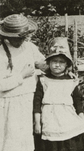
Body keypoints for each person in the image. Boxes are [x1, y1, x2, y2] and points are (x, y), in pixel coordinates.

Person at [34, 37, 84, 151]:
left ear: (67, 65)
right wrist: (37, 122)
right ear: (49, 63)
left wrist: (81, 116)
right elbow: (37, 102)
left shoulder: (71, 81)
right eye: (54, 61)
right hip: (49, 118)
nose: (57, 65)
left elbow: (77, 101)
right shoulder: (43, 80)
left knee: (70, 142)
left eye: (61, 62)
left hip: (67, 117)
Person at [0, 14, 46, 151]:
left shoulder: (29, 47)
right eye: (17, 38)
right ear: (7, 36)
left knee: (25, 137)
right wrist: (21, 76)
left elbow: (41, 62)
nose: (20, 40)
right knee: (11, 138)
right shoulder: (1, 53)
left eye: (22, 37)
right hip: (9, 102)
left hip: (27, 99)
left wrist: (60, 68)